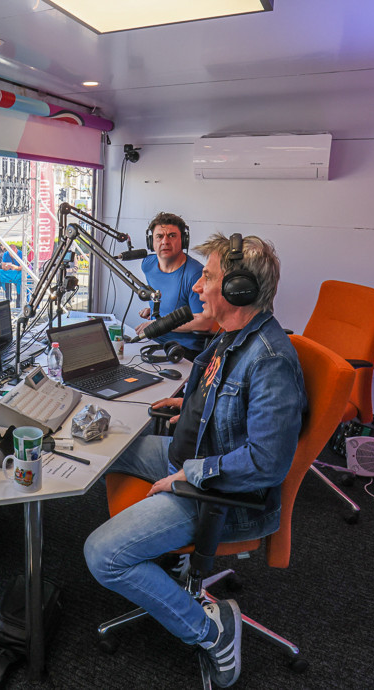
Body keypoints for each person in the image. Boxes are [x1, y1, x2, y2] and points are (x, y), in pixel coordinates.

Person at [83, 233, 306, 689]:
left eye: (208, 277)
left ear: (239, 290)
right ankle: (168, 561)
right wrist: (185, 404)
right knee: (109, 448)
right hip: (188, 458)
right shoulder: (232, 336)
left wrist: (190, 474)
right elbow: (218, 393)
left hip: (216, 493)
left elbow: (267, 462)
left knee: (102, 556)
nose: (198, 287)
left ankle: (212, 633)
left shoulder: (270, 361)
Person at [136, 213, 215, 359]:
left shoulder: (195, 274)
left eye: (172, 236)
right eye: (159, 236)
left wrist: (157, 324)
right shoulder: (147, 265)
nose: (165, 241)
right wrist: (154, 310)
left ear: (183, 241)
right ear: (151, 242)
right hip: (155, 342)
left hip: (183, 350)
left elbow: (204, 322)